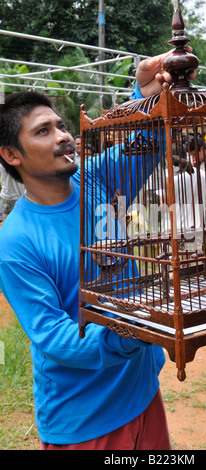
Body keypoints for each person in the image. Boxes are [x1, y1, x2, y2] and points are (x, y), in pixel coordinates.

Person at [0, 52, 177, 450]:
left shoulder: (93, 180)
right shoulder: (16, 242)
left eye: (61, 125)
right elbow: (55, 336)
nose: (63, 135)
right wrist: (133, 332)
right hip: (86, 418)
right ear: (12, 155)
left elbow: (145, 145)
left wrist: (147, 94)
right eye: (43, 131)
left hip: (141, 391)